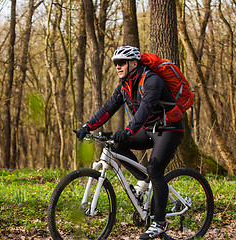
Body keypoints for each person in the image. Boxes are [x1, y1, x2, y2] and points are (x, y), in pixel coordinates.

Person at [76, 46, 184, 239]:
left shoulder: (152, 80)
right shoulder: (125, 84)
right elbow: (109, 107)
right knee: (116, 145)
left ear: (134, 63)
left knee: (155, 169)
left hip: (169, 129)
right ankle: (143, 179)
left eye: (121, 63)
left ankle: (160, 222)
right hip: (149, 129)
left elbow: (146, 108)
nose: (118, 67)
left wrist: (128, 131)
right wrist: (88, 126)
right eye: (115, 63)